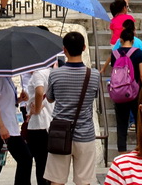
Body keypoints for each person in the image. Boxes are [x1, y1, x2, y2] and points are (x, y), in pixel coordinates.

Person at [45, 31, 101, 185]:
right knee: (84, 181)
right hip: (85, 134)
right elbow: (94, 96)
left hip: (60, 134)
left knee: (56, 181)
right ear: (84, 47)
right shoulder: (94, 75)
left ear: (64, 49)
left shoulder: (55, 74)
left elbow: (50, 99)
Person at [101, 21, 142, 154]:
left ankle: (121, 152)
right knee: (139, 122)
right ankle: (140, 150)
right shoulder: (138, 53)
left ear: (120, 40)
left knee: (121, 123)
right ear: (133, 40)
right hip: (135, 92)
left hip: (119, 92)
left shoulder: (115, 54)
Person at [0, 74, 32, 185]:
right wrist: (1, 126)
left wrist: (19, 99)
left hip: (10, 129)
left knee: (23, 159)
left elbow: (5, 103)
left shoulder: (7, 79)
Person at [26, 62, 53, 185]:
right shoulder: (51, 72)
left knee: (40, 163)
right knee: (46, 163)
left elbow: (39, 91)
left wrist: (36, 109)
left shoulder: (38, 73)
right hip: (49, 122)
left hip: (38, 124)